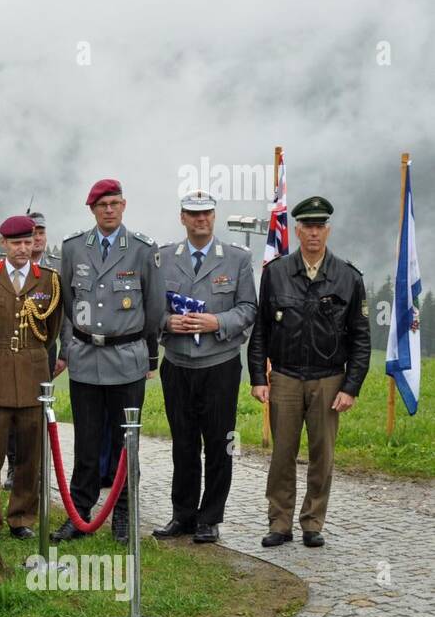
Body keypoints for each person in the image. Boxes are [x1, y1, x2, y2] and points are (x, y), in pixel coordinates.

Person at [248, 195, 370, 549]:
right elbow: (261, 331)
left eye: (320, 226)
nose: (314, 233)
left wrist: (351, 387)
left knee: (323, 456)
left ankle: (313, 522)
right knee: (282, 454)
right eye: (307, 227)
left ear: (328, 230)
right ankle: (280, 522)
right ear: (297, 230)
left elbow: (361, 338)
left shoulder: (348, 277)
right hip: (284, 376)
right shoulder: (276, 273)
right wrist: (258, 377)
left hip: (329, 378)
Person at [54, 178, 165, 544]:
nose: (109, 210)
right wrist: (75, 343)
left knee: (125, 443)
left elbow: (153, 308)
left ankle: (123, 515)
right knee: (84, 443)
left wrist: (143, 346)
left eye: (115, 203)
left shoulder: (142, 249)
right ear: (92, 209)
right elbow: (69, 304)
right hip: (86, 358)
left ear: (124, 205)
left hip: (127, 358)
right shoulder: (73, 248)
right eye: (102, 205)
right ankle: (79, 513)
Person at [154, 191, 257, 544]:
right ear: (182, 218)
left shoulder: (237, 259)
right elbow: (151, 308)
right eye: (193, 215)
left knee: (219, 443)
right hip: (178, 364)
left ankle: (210, 518)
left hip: (220, 364)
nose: (201, 220)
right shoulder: (164, 258)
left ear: (214, 217)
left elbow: (248, 308)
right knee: (182, 443)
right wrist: (167, 323)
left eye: (207, 214)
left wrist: (218, 321)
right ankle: (182, 515)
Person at [0, 216, 62, 539]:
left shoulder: (49, 279)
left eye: (28, 241)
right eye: (16, 243)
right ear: (3, 245)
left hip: (33, 375)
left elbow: (50, 333)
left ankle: (22, 518)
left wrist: (27, 354)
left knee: (30, 456)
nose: (23, 248)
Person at [4, 208, 66, 490]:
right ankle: (14, 468)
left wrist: (63, 353)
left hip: (44, 350)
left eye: (40, 233)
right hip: (10, 353)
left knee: (38, 413)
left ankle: (37, 469)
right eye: (32, 234)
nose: (36, 239)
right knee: (10, 415)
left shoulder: (55, 270)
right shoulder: (1, 267)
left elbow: (63, 314)